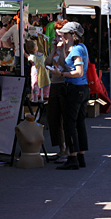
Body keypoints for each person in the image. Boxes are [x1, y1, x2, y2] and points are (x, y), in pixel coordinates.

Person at [50, 22, 90, 170]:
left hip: (75, 88)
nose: (63, 36)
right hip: (81, 88)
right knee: (79, 123)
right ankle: (80, 156)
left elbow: (78, 71)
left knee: (70, 124)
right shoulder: (80, 48)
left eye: (65, 34)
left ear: (73, 35)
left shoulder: (77, 50)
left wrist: (60, 73)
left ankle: (73, 157)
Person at [45, 19, 69, 163]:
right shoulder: (56, 48)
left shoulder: (69, 48)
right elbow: (48, 62)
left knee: (64, 118)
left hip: (64, 83)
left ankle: (67, 150)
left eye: (60, 35)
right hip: (54, 82)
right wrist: (54, 48)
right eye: (56, 35)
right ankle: (61, 148)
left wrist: (62, 49)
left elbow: (66, 64)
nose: (57, 38)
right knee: (53, 117)